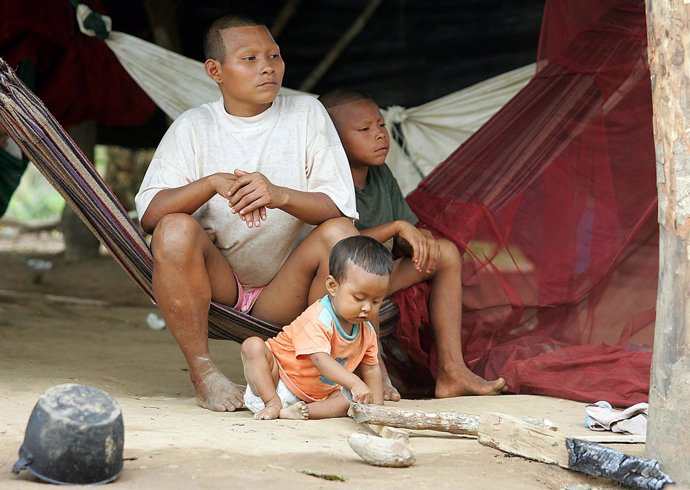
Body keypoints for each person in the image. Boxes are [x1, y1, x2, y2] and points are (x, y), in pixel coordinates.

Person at [134, 16, 360, 412]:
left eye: (274, 55)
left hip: (286, 289)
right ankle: (204, 373)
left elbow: (341, 207)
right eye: (250, 58)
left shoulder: (306, 113)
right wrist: (211, 183)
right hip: (220, 284)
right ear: (215, 71)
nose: (268, 67)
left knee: (340, 232)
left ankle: (329, 369)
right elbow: (151, 215)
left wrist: (278, 195)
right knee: (173, 229)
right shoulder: (194, 127)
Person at [319, 89, 507, 398]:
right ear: (334, 140)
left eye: (381, 125)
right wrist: (397, 227)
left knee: (445, 252)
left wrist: (419, 241)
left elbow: (407, 229)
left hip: (378, 275)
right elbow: (339, 243)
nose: (379, 135)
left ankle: (452, 371)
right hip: (335, 284)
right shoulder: (326, 178)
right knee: (365, 276)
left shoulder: (380, 174)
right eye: (364, 130)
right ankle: (374, 372)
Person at [241, 235, 390, 420]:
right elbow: (320, 360)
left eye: (376, 301)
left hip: (317, 397)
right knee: (252, 346)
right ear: (332, 286)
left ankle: (299, 413)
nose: (367, 308)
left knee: (348, 399)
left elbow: (371, 368)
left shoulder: (366, 331)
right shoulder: (319, 318)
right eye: (359, 299)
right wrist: (355, 382)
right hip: (278, 379)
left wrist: (378, 408)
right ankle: (272, 403)